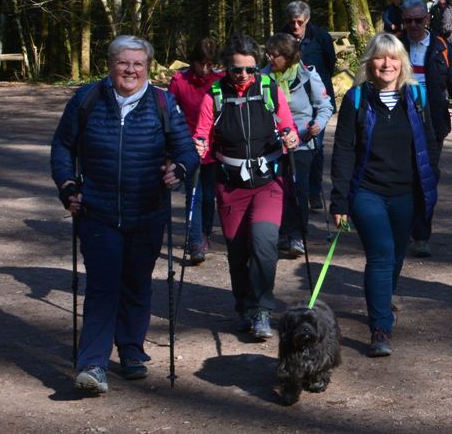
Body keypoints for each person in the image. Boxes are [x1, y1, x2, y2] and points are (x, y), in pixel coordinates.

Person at [51, 35, 199, 394]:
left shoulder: (163, 102)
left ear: (147, 67)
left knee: (136, 282)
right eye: (123, 62)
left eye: (138, 64)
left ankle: (132, 350)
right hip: (97, 210)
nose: (130, 70)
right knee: (103, 285)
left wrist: (178, 170)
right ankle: (93, 365)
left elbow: (187, 150)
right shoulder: (87, 99)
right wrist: (68, 186)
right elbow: (63, 145)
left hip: (147, 211)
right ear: (110, 64)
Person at [330, 33, 438, 357]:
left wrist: (431, 182)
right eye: (380, 57)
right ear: (370, 62)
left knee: (396, 256)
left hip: (406, 193)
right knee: (381, 254)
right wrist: (339, 201)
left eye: (393, 58)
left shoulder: (417, 96)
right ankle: (380, 328)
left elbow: (430, 144)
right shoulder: (357, 99)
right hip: (367, 192)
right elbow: (343, 152)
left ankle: (380, 301)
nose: (387, 64)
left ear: (402, 62)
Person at [194, 34, 299, 340]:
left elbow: (287, 125)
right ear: (227, 67)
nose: (243, 76)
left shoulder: (269, 90)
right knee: (238, 251)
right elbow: (202, 132)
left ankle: (263, 310)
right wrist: (198, 145)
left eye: (250, 69)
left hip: (268, 181)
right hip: (230, 184)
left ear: (258, 67)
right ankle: (245, 307)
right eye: (236, 69)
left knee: (265, 244)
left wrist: (291, 137)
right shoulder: (214, 95)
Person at [398, 0, 452, 257]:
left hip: (433, 122)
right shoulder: (394, 45)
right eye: (408, 21)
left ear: (427, 19)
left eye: (418, 20)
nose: (414, 25)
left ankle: (421, 235)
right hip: (399, 122)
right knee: (401, 178)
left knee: (426, 179)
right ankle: (401, 229)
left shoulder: (441, 45)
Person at [261, 33, 333, 257]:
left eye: (275, 55)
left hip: (302, 142)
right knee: (274, 190)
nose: (270, 58)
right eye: (268, 54)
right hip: (270, 145)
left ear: (289, 56)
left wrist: (317, 126)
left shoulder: (307, 74)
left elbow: (325, 106)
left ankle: (297, 236)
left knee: (298, 190)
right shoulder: (262, 77)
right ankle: (279, 233)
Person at [168, 37, 225, 265]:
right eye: (200, 63)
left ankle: (205, 232)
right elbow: (169, 114)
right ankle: (194, 241)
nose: (204, 68)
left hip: (216, 149)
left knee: (210, 195)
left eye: (209, 63)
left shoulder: (220, 81)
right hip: (189, 147)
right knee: (195, 194)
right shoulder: (179, 81)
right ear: (192, 61)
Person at [281, 1, 336, 212]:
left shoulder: (321, 37)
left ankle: (313, 191)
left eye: (299, 22)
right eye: (292, 22)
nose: (295, 26)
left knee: (316, 146)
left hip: (316, 97)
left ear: (307, 20)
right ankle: (292, 189)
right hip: (290, 101)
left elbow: (330, 65)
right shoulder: (281, 37)